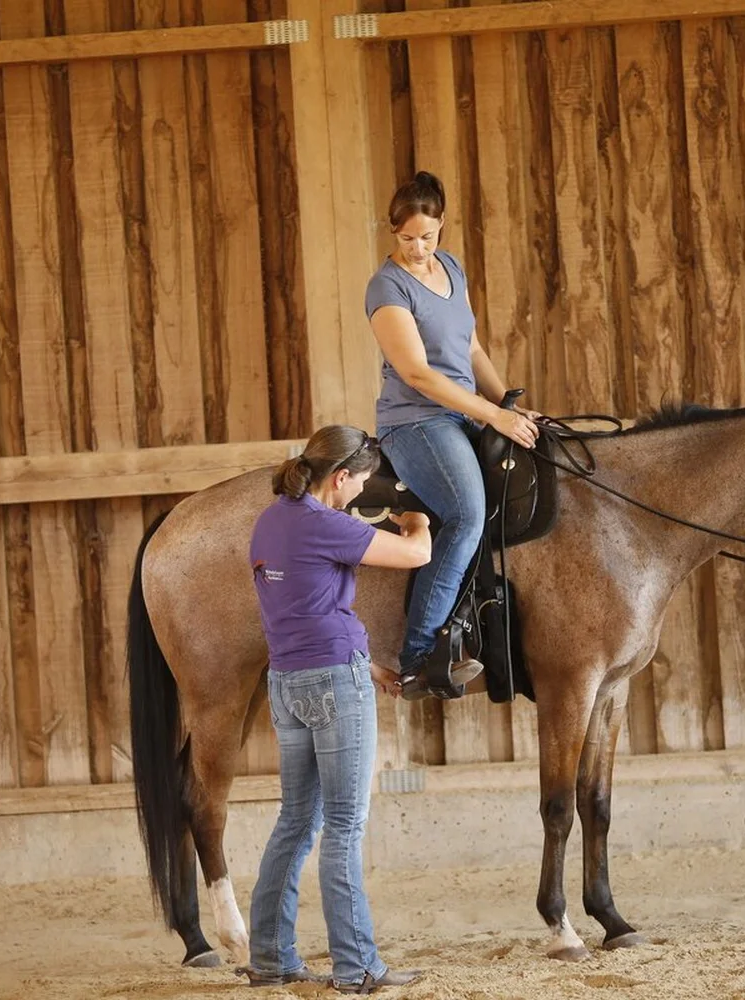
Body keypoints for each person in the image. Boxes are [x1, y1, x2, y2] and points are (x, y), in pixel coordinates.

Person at [243, 425, 431, 994]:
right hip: (332, 683)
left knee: (295, 820)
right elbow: (418, 554)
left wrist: (368, 666)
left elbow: (304, 607)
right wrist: (416, 520)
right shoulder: (331, 524)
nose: (362, 489)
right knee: (345, 826)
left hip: (287, 681)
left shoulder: (270, 519)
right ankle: (358, 968)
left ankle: (271, 958)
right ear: (341, 476)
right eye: (363, 480)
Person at [365, 170, 541, 699]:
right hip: (416, 420)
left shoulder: (452, 267)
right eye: (407, 238)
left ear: (442, 227)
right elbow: (418, 373)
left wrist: (510, 403)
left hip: (465, 410)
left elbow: (470, 349)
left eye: (427, 236)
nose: (418, 248)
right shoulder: (387, 286)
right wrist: (491, 415)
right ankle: (419, 656)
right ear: (392, 232)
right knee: (466, 513)